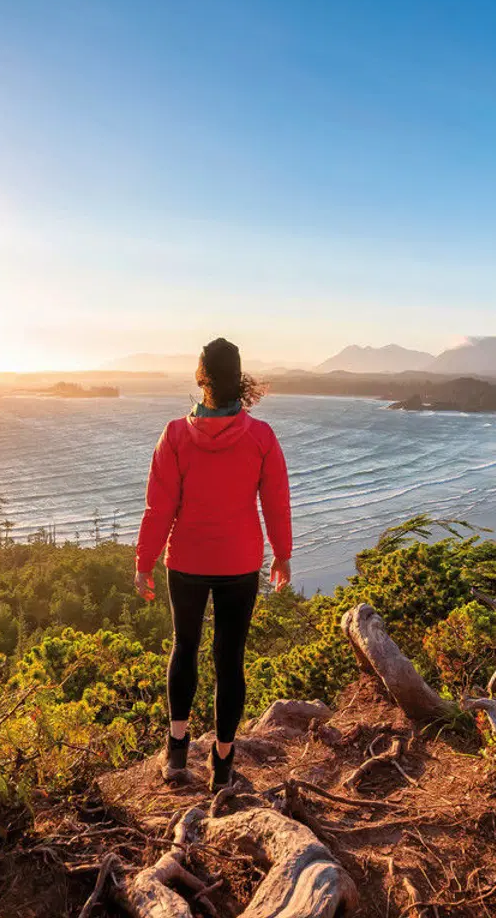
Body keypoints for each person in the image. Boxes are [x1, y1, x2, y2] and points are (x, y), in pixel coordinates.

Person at [134, 338, 292, 791]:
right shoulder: (261, 437)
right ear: (237, 378)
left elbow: (158, 508)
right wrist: (282, 554)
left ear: (201, 377)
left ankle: (177, 754)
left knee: (185, 649)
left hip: (185, 561)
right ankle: (222, 765)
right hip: (240, 563)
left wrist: (144, 560)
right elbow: (276, 503)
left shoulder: (176, 435)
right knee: (230, 660)